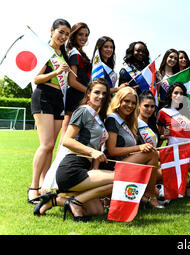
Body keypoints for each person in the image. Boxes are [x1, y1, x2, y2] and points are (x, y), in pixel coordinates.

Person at [34, 78, 113, 221]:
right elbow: (67, 140)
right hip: (72, 168)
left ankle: (54, 200)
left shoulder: (98, 116)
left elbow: (97, 146)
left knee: (97, 211)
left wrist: (95, 167)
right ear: (88, 93)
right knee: (118, 178)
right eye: (97, 92)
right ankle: (75, 203)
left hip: (86, 168)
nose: (100, 96)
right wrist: (92, 152)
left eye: (104, 93)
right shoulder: (83, 111)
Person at [29, 19, 71, 204]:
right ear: (51, 31)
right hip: (43, 97)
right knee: (45, 145)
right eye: (60, 32)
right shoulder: (45, 51)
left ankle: (45, 186)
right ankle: (33, 187)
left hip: (57, 100)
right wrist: (56, 73)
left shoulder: (63, 54)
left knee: (51, 147)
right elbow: (36, 78)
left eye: (67, 34)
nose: (63, 37)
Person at [103, 87, 162, 208]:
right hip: (113, 165)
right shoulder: (112, 120)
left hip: (125, 162)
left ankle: (148, 194)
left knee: (160, 172)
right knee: (152, 154)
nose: (130, 105)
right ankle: (150, 196)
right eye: (126, 101)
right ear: (119, 101)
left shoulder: (129, 121)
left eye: (133, 103)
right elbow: (111, 150)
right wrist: (138, 148)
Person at [60, 22, 91, 147]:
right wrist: (89, 92)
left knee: (75, 138)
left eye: (86, 35)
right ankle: (57, 166)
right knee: (66, 138)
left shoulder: (80, 53)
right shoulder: (74, 53)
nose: (84, 38)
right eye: (80, 34)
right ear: (74, 35)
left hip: (81, 98)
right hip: (74, 99)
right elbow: (72, 81)